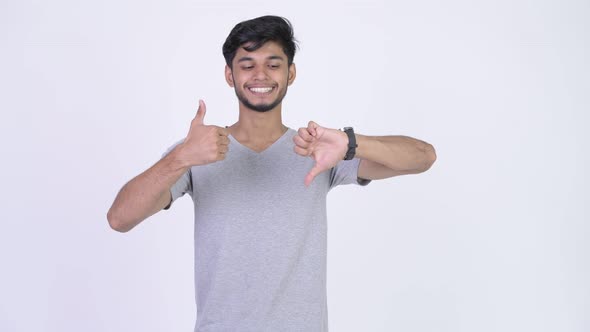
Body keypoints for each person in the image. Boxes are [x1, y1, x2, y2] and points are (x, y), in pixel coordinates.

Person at [107, 15, 436, 332]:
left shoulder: (318, 148)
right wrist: (180, 157)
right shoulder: (198, 151)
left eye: (273, 64)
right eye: (247, 65)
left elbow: (423, 158)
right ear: (229, 75)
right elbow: (120, 218)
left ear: (291, 73)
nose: (260, 75)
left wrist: (351, 142)